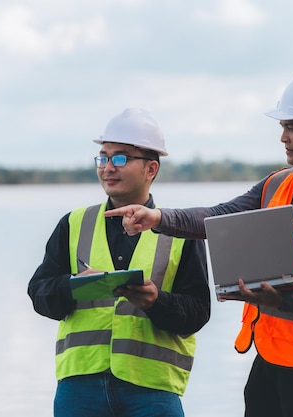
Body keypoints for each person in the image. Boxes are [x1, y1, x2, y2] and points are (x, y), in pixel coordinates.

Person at [105, 71, 293, 417]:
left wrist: (283, 299)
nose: (283, 137)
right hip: (270, 355)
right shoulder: (278, 184)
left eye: (291, 128)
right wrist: (158, 218)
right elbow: (220, 216)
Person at [28, 107, 211, 417]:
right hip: (79, 388)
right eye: (103, 157)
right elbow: (40, 296)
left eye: (121, 158)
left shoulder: (180, 232)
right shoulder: (73, 224)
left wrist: (156, 301)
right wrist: (74, 287)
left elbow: (196, 313)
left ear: (151, 169)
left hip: (152, 390)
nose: (108, 168)